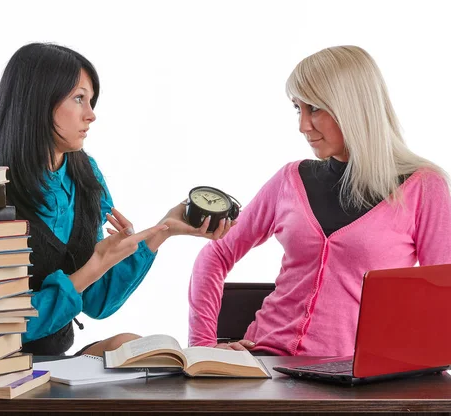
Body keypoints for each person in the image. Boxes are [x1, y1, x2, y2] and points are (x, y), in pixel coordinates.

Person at [188, 45, 451, 357]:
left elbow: (441, 294)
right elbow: (215, 255)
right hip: (264, 364)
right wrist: (203, 347)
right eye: (298, 109)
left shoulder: (423, 187)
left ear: (353, 106)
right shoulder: (290, 179)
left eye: (314, 108)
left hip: (355, 378)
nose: (303, 126)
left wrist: (409, 368)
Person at [0, 43, 235, 357]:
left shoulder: (86, 175)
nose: (91, 114)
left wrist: (160, 232)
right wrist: (96, 264)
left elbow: (97, 302)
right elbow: (2, 324)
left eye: (91, 100)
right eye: (78, 99)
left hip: (56, 362)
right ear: (38, 102)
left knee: (131, 344)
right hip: (0, 368)